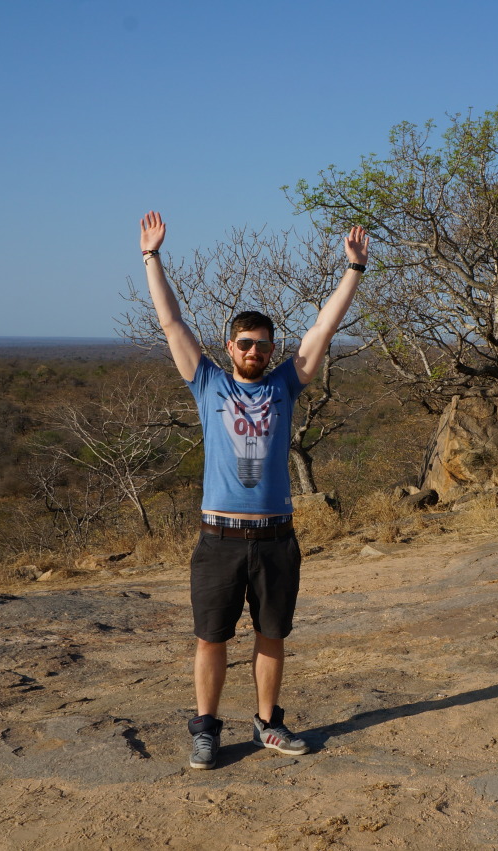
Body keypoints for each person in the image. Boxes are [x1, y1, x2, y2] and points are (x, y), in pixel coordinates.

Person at [138, 210, 368, 770]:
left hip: (274, 538)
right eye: (246, 343)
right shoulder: (208, 382)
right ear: (230, 344)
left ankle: (268, 723)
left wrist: (354, 270)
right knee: (211, 639)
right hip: (218, 537)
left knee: (271, 636)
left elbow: (322, 330)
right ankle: (206, 729)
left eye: (264, 345)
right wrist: (152, 258)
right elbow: (172, 325)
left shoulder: (286, 385)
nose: (255, 352)